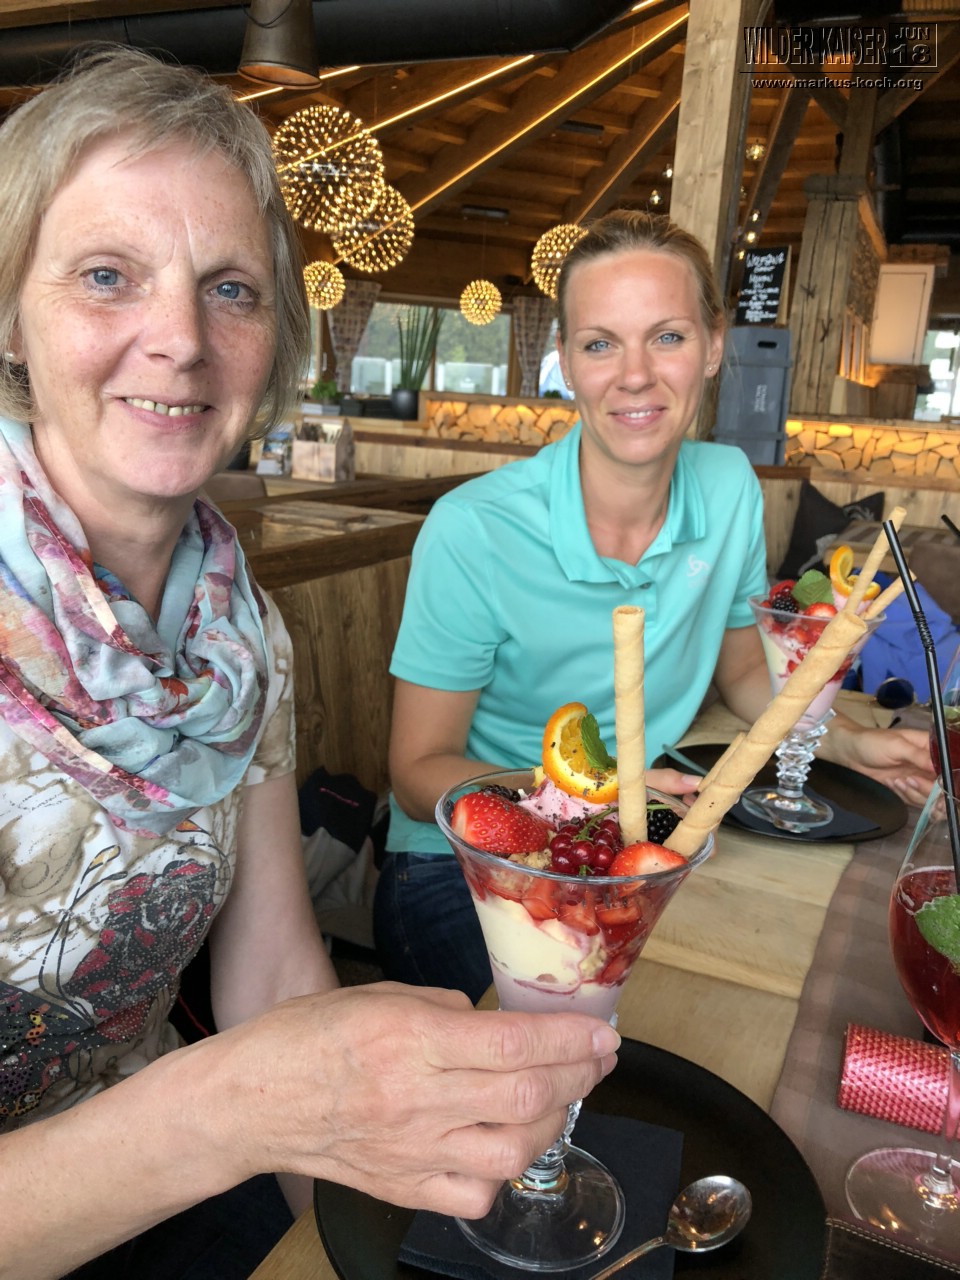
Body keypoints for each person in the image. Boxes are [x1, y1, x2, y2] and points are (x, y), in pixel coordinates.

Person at [0, 48, 621, 1280]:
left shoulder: (241, 633)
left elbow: (277, 967)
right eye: (107, 274)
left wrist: (348, 1235)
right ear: (11, 316)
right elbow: (239, 1087)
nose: (180, 339)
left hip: (163, 1176)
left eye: (229, 288)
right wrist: (236, 1107)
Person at [375, 208, 937, 1003]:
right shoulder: (474, 529)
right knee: (583, 1038)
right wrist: (606, 794)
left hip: (643, 843)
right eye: (600, 343)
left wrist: (846, 743)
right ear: (566, 358)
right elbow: (415, 774)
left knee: (773, 991)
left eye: (667, 336)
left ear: (714, 346)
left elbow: (743, 673)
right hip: (462, 864)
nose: (634, 375)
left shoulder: (730, 487)